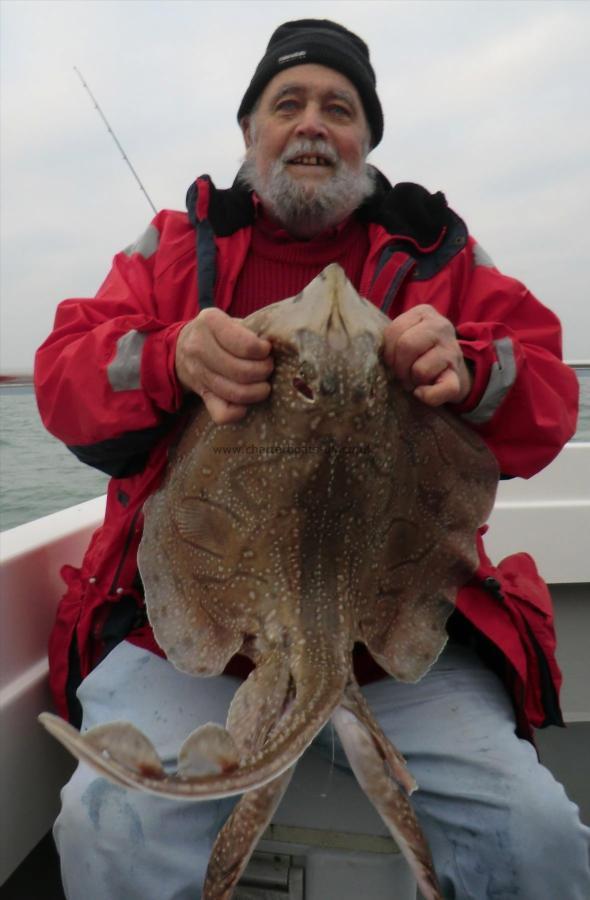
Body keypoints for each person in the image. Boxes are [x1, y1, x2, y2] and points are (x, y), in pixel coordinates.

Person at [35, 18, 589, 900]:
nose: (311, 124)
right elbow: (61, 374)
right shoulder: (180, 245)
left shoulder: (435, 250)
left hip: (388, 634)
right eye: (286, 103)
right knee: (111, 826)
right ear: (250, 131)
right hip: (201, 644)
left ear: (366, 139)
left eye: (339, 108)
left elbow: (552, 391)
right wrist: (170, 354)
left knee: (538, 835)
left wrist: (470, 367)